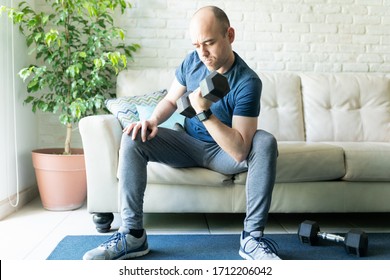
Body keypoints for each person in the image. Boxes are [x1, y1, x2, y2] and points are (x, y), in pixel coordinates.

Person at [83, 5, 281, 261]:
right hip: (186, 144)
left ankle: (252, 239)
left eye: (209, 43)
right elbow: (170, 100)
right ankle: (133, 235)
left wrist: (203, 112)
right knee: (134, 135)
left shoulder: (247, 82)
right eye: (197, 45)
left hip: (224, 153)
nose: (203, 53)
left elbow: (240, 150)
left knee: (265, 142)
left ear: (229, 35)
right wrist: (152, 120)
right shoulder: (192, 61)